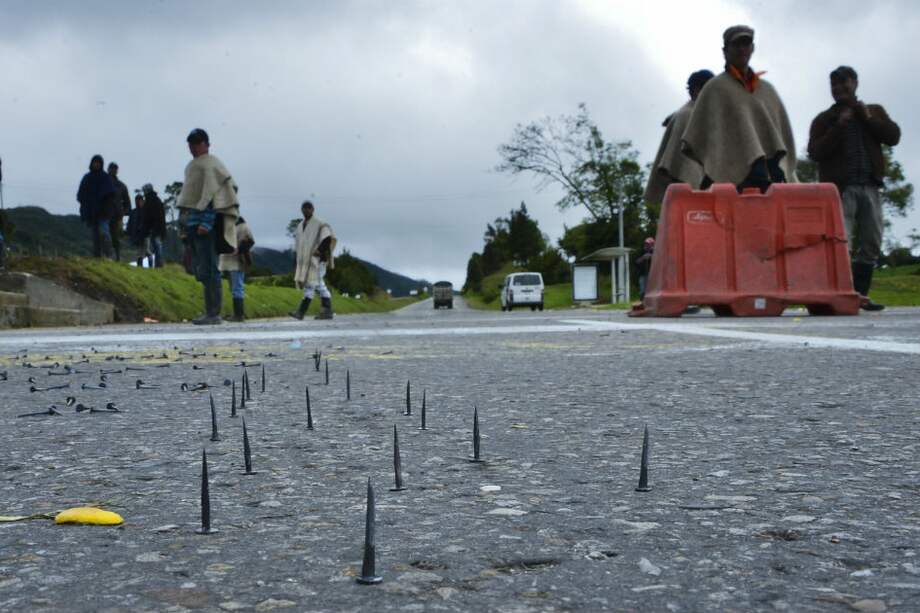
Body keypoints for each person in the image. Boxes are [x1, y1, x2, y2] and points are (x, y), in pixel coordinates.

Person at [807, 66, 900, 312]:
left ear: (855, 83)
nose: (838, 88)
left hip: (870, 186)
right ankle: (838, 296)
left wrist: (867, 118)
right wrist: (839, 125)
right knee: (841, 244)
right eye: (834, 85)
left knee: (871, 242)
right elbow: (815, 152)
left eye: (843, 83)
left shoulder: (874, 111)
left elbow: (893, 136)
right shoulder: (824, 119)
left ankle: (860, 295)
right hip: (840, 191)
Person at [682, 25, 797, 192]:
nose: (742, 49)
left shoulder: (767, 90)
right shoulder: (715, 88)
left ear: (752, 48)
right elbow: (697, 138)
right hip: (730, 177)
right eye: (736, 44)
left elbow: (779, 136)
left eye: (746, 44)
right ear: (725, 51)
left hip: (768, 174)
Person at [177, 129, 240, 325]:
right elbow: (189, 198)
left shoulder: (212, 164)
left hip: (206, 226)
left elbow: (215, 196)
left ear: (206, 144)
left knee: (211, 269)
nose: (193, 147)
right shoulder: (191, 166)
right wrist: (185, 225)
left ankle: (214, 313)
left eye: (197, 143)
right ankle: (209, 311)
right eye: (191, 144)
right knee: (201, 270)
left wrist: (207, 222)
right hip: (192, 224)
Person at [644, 69, 714, 205]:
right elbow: (685, 169)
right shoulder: (687, 117)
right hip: (686, 195)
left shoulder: (696, 114)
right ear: (697, 91)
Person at [290, 200, 336, 320]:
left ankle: (301, 312)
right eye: (304, 208)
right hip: (306, 261)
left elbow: (327, 238)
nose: (306, 210)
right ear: (301, 210)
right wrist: (296, 261)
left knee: (311, 284)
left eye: (308, 208)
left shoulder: (320, 223)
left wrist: (319, 250)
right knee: (318, 284)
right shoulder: (300, 226)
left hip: (318, 260)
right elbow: (298, 245)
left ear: (312, 209)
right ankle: (327, 311)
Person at [77, 154, 115, 258]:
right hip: (91, 213)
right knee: (95, 236)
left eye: (98, 163)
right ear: (91, 163)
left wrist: (106, 209)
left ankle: (109, 255)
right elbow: (81, 196)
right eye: (95, 162)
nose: (96, 164)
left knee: (104, 233)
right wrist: (85, 209)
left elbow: (110, 196)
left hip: (103, 213)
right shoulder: (87, 178)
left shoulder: (105, 178)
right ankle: (97, 257)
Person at [218, 216, 255, 321]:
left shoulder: (243, 227)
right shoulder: (227, 226)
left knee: (237, 288)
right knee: (234, 288)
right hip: (226, 261)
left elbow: (249, 241)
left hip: (236, 261)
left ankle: (239, 314)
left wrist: (238, 250)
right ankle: (237, 313)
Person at [107, 162, 132, 261]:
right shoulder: (102, 184)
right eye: (112, 169)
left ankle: (116, 257)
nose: (113, 171)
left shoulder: (121, 186)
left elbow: (127, 203)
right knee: (105, 236)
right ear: (108, 169)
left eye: (115, 169)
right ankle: (107, 256)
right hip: (105, 215)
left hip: (117, 216)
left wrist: (123, 212)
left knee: (115, 238)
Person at [142, 184, 167, 268]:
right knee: (156, 247)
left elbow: (154, 217)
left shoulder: (151, 201)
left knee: (157, 246)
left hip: (156, 229)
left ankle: (159, 265)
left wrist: (151, 228)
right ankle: (158, 264)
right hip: (157, 228)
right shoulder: (155, 200)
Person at [126, 193, 149, 266]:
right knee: (141, 251)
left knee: (145, 251)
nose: (138, 202)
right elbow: (130, 224)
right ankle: (141, 265)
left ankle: (143, 264)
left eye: (139, 200)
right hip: (138, 235)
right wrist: (129, 233)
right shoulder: (134, 212)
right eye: (137, 201)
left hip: (144, 234)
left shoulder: (145, 211)